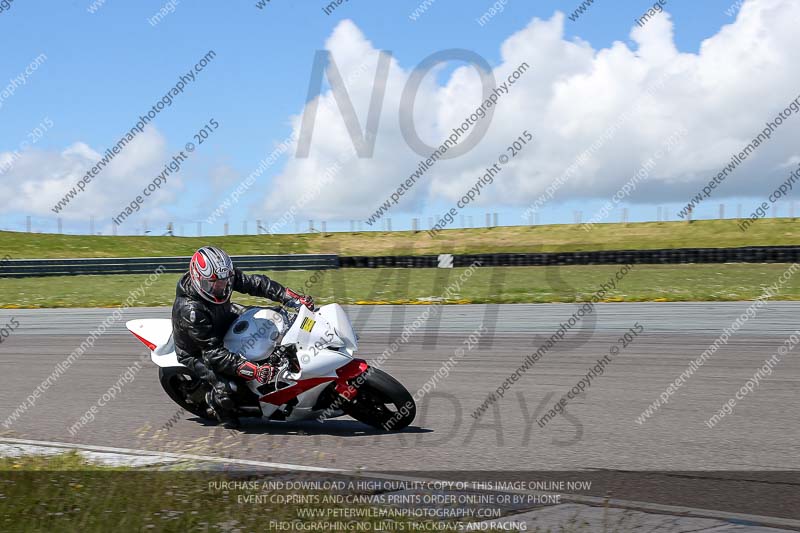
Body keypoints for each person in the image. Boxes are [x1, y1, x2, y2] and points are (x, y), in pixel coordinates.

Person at [171, 246, 314, 428]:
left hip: (221, 315)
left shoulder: (222, 276)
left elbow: (256, 283)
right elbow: (213, 354)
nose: (221, 287)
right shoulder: (190, 310)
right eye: (213, 284)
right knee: (230, 390)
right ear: (199, 280)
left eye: (225, 281)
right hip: (198, 350)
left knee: (272, 318)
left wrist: (289, 297)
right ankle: (216, 404)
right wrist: (253, 370)